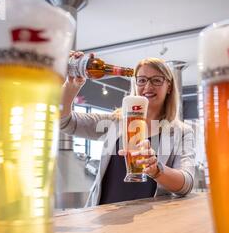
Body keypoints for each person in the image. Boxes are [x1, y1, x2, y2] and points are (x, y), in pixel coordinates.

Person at [60, 52, 195, 206]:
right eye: (142, 80)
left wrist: (157, 170)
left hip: (150, 223)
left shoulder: (182, 132)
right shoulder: (114, 121)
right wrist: (71, 85)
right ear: (135, 84)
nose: (148, 86)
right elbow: (64, 122)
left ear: (169, 86)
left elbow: (187, 184)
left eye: (157, 80)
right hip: (105, 218)